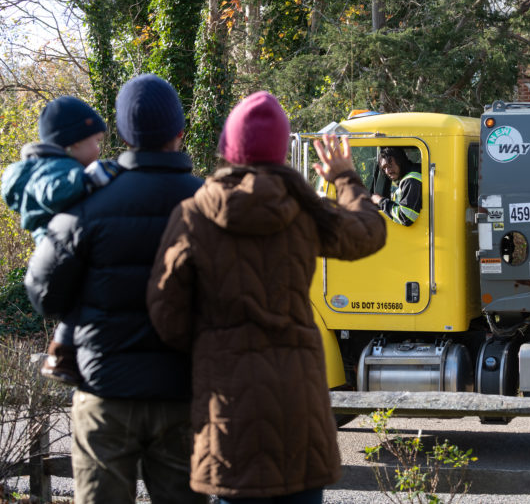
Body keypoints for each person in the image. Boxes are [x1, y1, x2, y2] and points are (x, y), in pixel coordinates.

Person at [146, 91, 387, 503]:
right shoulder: (304, 210)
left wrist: (210, 345)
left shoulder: (193, 215)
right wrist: (344, 177)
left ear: (228, 149)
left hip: (228, 407)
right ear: (280, 152)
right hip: (299, 406)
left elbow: (165, 310)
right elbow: (369, 233)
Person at [24, 74, 205, 504]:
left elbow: (42, 294)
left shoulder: (87, 202)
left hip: (104, 390)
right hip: (183, 391)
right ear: (180, 131)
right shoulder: (209, 202)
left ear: (121, 135)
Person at [1, 96, 119, 385]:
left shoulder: (46, 166)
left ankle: (66, 355)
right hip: (59, 249)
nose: (99, 148)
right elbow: (51, 191)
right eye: (96, 141)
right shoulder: (54, 170)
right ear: (72, 144)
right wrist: (90, 179)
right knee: (85, 299)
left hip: (59, 248)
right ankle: (61, 357)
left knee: (79, 304)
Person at [370, 146, 422, 226]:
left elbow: (406, 217)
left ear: (400, 161)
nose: (387, 171)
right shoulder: (409, 177)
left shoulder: (412, 180)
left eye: (390, 165)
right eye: (384, 168)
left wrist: (380, 201)